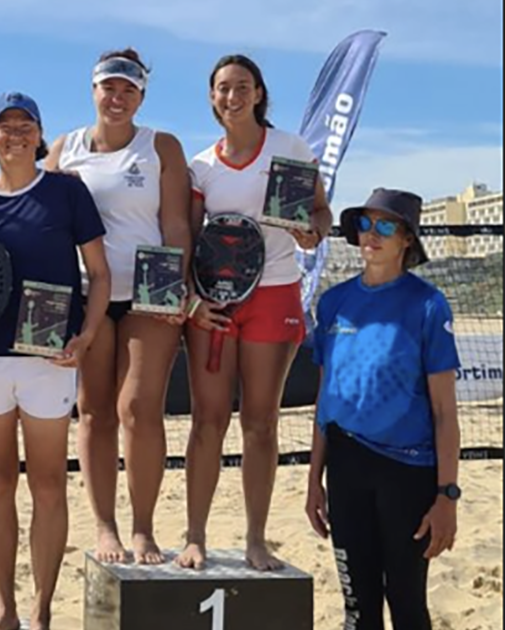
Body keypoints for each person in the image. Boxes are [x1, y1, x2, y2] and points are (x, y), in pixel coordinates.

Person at [0, 92, 111, 630]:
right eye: (5, 124)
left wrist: (86, 336)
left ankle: (40, 610)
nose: (16, 132)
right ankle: (6, 607)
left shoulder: (67, 192)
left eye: (26, 124)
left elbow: (100, 275)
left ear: (40, 136)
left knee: (47, 483)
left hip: (50, 360)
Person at [179, 54, 334, 571]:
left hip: (274, 292)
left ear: (260, 93)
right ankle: (195, 536)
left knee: (261, 422)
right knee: (207, 420)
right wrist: (193, 302)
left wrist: (312, 229)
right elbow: (186, 241)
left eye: (242, 86)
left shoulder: (290, 148)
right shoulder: (200, 164)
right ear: (211, 97)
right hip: (215, 302)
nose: (232, 96)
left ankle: (255, 540)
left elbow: (320, 212)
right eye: (222, 88)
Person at [44, 48, 192, 565]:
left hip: (148, 294)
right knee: (94, 412)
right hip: (87, 294)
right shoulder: (66, 149)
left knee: (138, 409)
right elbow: (42, 219)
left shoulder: (161, 147)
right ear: (94, 91)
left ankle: (144, 529)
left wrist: (177, 286)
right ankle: (105, 526)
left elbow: (175, 224)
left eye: (129, 90)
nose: (118, 97)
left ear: (142, 96)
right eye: (109, 87)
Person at [306, 189, 461, 630]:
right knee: (358, 607)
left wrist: (447, 495)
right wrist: (314, 480)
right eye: (365, 225)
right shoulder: (333, 302)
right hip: (346, 464)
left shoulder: (428, 305)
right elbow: (325, 399)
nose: (372, 235)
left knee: (407, 601)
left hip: (407, 470)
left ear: (406, 239)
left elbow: (445, 413)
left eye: (386, 226)